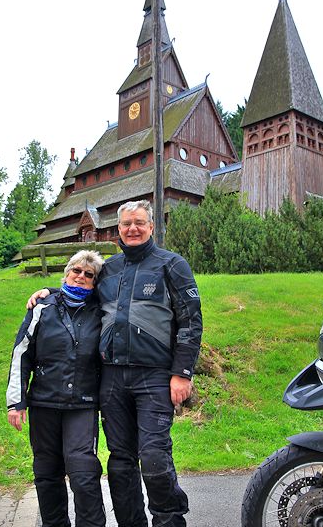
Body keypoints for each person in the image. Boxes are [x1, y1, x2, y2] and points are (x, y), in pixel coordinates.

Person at [28, 200, 203, 527]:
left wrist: (182, 372)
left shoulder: (172, 265)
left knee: (153, 456)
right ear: (118, 229)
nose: (132, 229)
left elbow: (191, 321)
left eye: (139, 222)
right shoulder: (110, 269)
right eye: (126, 224)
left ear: (151, 226)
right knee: (121, 462)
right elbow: (79, 292)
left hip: (154, 377)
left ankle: (169, 521)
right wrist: (50, 292)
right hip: (111, 381)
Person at [7, 250, 106, 527]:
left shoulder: (102, 309)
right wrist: (16, 403)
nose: (81, 277)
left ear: (95, 282)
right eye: (76, 270)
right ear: (66, 273)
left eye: (89, 275)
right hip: (43, 404)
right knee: (47, 474)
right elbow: (21, 353)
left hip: (82, 404)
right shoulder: (42, 307)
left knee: (83, 473)